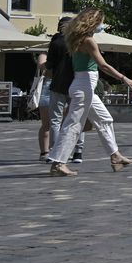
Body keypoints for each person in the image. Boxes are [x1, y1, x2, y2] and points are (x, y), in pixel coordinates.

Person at [45, 9, 132, 176]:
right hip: (84, 87)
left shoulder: (75, 39)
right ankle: (59, 163)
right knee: (73, 125)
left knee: (105, 119)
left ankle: (115, 156)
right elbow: (103, 66)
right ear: (93, 23)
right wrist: (124, 78)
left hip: (84, 86)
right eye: (100, 22)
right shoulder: (88, 41)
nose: (102, 25)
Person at [45, 17, 87, 164]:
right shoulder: (80, 41)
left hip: (58, 84)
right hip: (77, 83)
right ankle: (78, 152)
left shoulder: (56, 42)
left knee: (55, 120)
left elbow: (49, 65)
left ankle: (56, 152)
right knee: (77, 118)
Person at [32, 53, 52, 162]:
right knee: (46, 124)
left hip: (62, 88)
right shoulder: (44, 55)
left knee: (62, 124)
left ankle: (59, 150)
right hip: (46, 90)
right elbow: (43, 67)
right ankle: (44, 152)